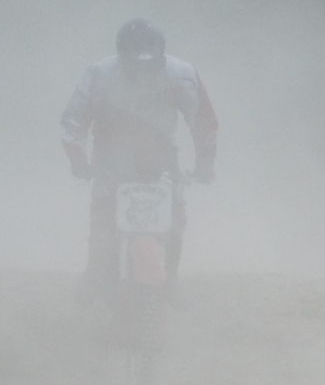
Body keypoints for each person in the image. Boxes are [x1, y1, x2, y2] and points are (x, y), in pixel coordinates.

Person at [60, 16, 218, 285]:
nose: (143, 74)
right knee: (103, 218)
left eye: (149, 66)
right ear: (121, 56)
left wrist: (205, 163)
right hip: (110, 159)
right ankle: (95, 272)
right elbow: (73, 121)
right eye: (136, 66)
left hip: (162, 159)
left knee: (174, 216)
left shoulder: (181, 75)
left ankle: (170, 276)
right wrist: (78, 161)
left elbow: (203, 121)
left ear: (161, 55)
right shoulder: (100, 75)